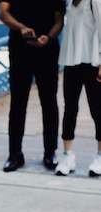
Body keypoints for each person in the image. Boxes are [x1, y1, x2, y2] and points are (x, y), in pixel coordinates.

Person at [0, 0, 66, 172]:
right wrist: (21, 27)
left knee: (49, 101)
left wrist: (49, 37)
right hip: (19, 48)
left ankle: (50, 152)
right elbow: (3, 13)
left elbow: (59, 20)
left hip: (48, 50)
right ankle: (14, 154)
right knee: (18, 103)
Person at [55, 0, 101, 176]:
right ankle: (68, 155)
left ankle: (99, 155)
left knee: (97, 109)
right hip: (71, 59)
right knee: (70, 108)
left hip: (92, 60)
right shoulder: (67, 1)